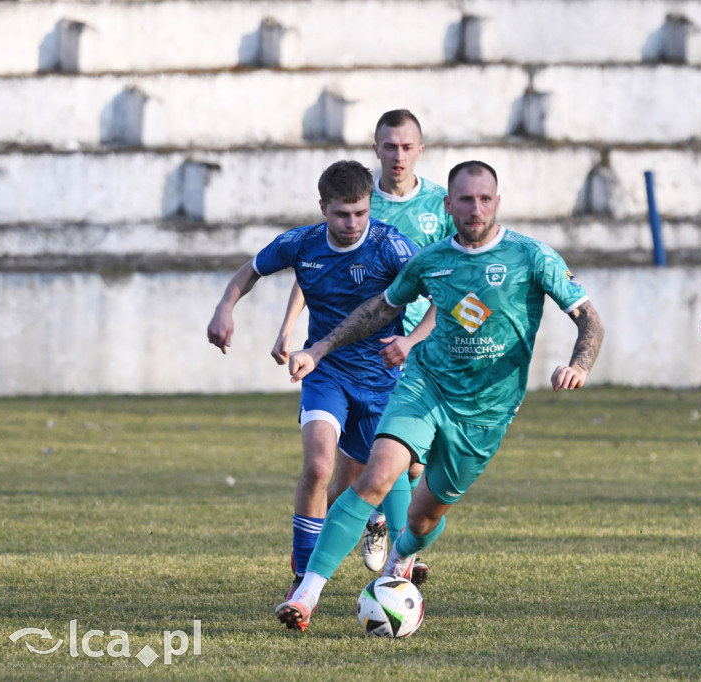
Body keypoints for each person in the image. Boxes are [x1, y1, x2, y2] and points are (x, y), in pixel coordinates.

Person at [274, 160, 605, 631]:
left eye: (485, 199)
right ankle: (306, 594)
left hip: (486, 410)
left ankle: (400, 558)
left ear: (497, 202)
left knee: (423, 519)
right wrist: (320, 347)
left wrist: (579, 365)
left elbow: (589, 319)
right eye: (466, 200)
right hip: (423, 386)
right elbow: (379, 309)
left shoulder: (532, 256)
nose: (476, 209)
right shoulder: (430, 260)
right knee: (377, 475)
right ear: (448, 205)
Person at [206, 160, 429, 621]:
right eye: (342, 214)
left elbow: (440, 298)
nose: (352, 223)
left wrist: (410, 341)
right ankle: (303, 577)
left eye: (360, 213)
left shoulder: (391, 246)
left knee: (381, 480)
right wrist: (225, 308)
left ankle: (397, 560)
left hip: (383, 380)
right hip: (325, 372)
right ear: (323, 207)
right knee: (319, 465)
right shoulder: (301, 243)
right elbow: (249, 271)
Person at [270, 109, 454, 574]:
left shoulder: (442, 204)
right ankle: (348, 537)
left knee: (410, 463)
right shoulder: (357, 199)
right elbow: (317, 272)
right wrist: (289, 327)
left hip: (422, 342)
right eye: (389, 146)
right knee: (356, 469)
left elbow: (454, 272)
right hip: (363, 349)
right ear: (376, 149)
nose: (398, 156)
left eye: (407, 146)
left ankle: (393, 544)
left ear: (420, 150)